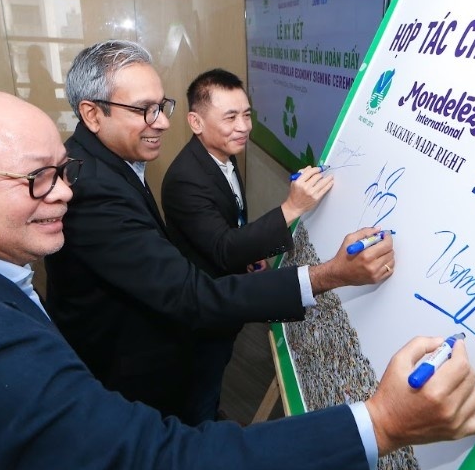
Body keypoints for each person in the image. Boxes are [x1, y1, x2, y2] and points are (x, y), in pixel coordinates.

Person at [0, 84, 475, 470]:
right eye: (35, 178)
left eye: (63, 172)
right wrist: (380, 423)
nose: (63, 193)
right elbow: (154, 468)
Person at [45, 40, 393, 425]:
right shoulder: (93, 190)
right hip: (128, 378)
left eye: (161, 106)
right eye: (144, 110)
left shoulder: (109, 161)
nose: (161, 122)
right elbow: (190, 293)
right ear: (93, 114)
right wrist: (328, 275)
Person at [161, 67, 333, 422]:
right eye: (230, 117)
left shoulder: (221, 156)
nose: (244, 127)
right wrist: (292, 208)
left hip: (224, 301)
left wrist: (251, 256)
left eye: (247, 115)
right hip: (201, 312)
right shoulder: (185, 178)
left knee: (212, 380)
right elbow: (223, 248)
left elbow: (230, 222)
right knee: (199, 386)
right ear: (196, 122)